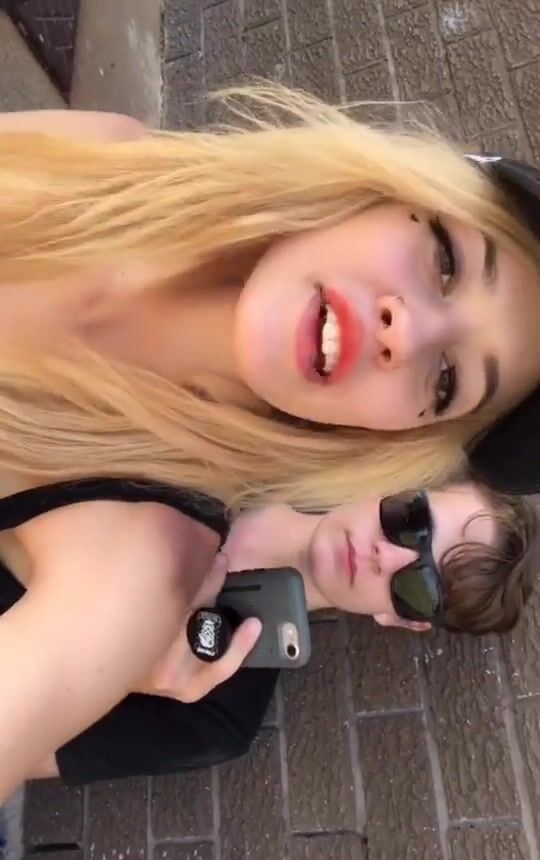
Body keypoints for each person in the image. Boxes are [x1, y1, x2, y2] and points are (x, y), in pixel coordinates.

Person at [1, 85, 540, 799]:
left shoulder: (141, 564)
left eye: (447, 381)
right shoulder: (107, 153)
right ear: (388, 189)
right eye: (446, 260)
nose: (406, 331)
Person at [28, 480, 538, 785]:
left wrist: (125, 673)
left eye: (420, 586)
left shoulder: (214, 716)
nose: (388, 554)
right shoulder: (235, 444)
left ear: (401, 619)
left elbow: (16, 754)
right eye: (412, 520)